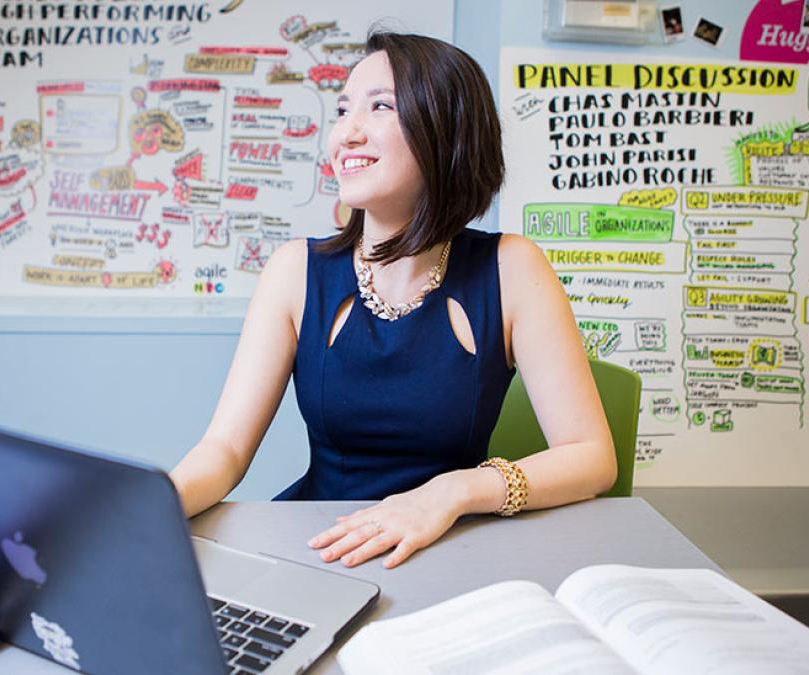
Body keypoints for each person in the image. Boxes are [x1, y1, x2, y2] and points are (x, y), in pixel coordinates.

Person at [170, 31, 616, 570]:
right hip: (321, 546)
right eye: (342, 109)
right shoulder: (294, 271)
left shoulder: (513, 267)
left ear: (444, 132)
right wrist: (153, 505)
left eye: (379, 106)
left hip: (453, 547)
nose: (346, 133)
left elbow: (592, 459)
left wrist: (453, 493)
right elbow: (225, 451)